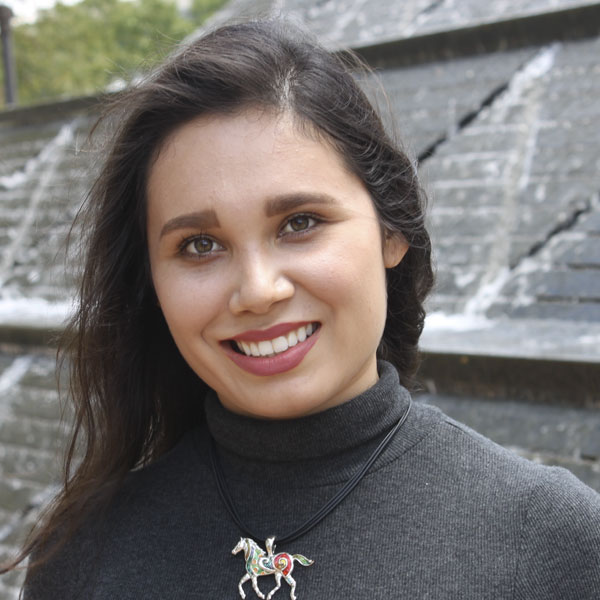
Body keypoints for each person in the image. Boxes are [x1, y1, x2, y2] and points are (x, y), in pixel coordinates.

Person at [4, 19, 599, 600]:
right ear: (151, 283)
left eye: (300, 223)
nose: (258, 291)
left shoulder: (555, 543)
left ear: (393, 232)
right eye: (199, 245)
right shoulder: (80, 557)